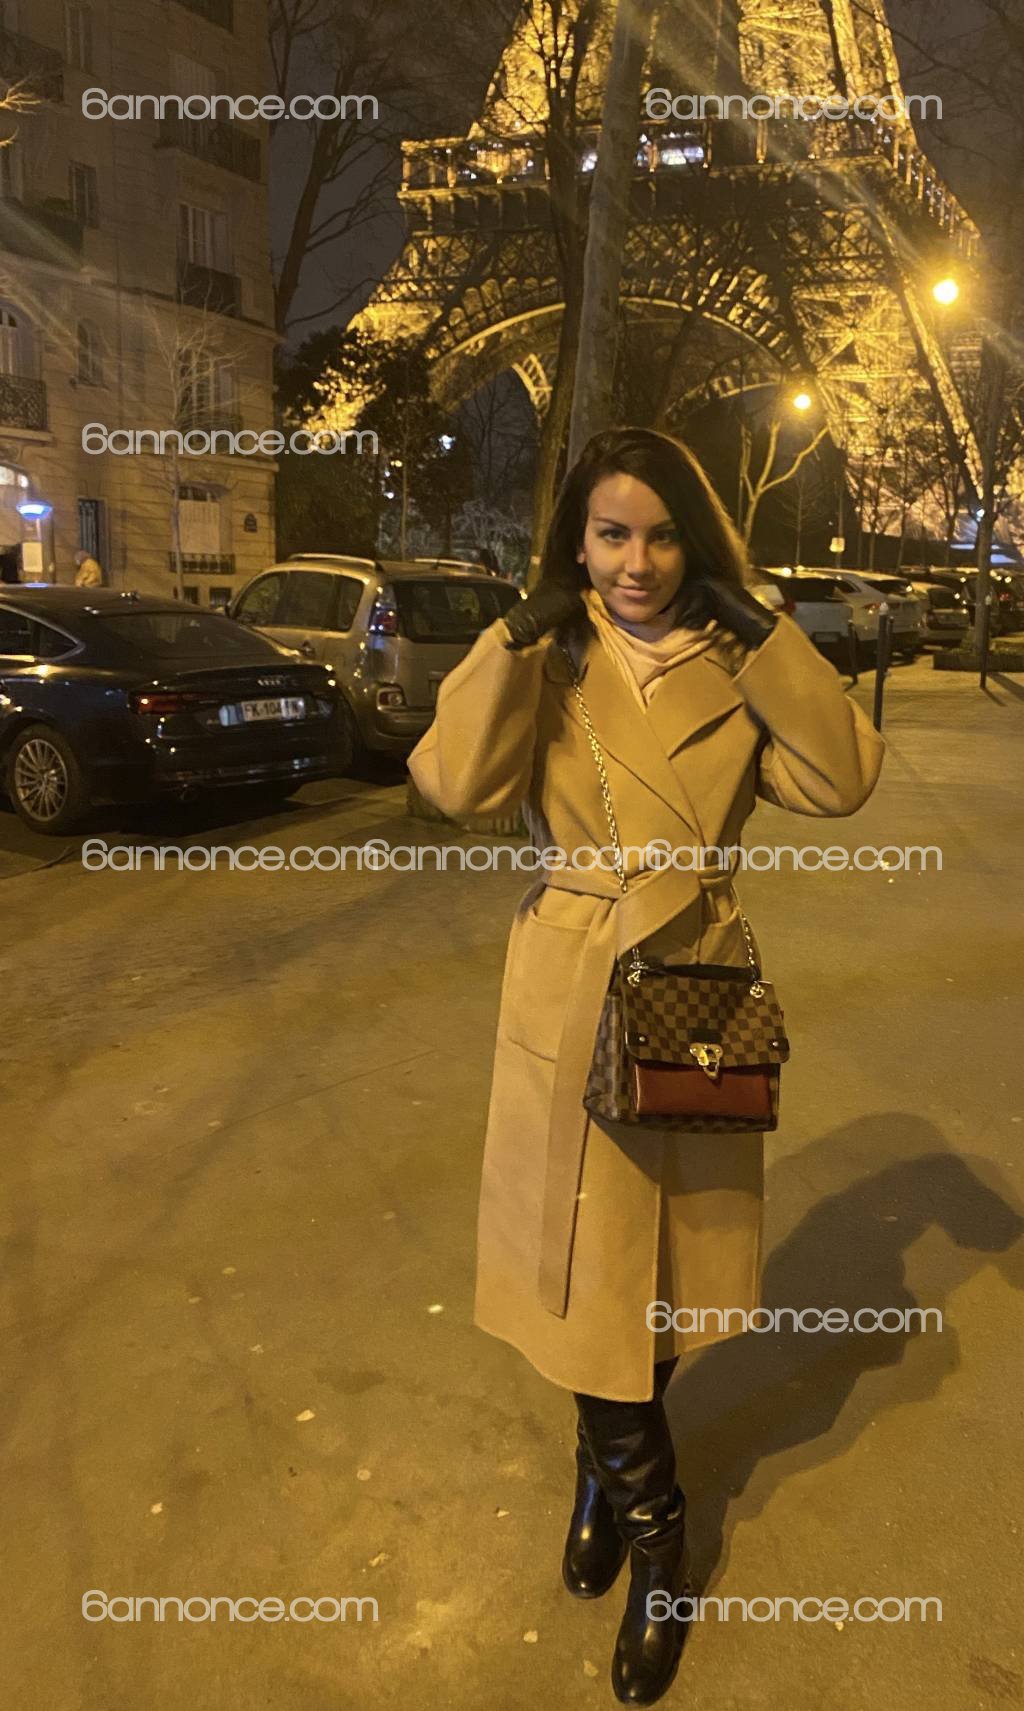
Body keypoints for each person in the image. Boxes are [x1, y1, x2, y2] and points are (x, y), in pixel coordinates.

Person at [407, 427, 884, 1706]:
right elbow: (456, 783)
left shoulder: (733, 662)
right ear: (576, 542)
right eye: (612, 534)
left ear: (696, 542)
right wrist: (513, 632)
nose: (638, 562)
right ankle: (657, 1533)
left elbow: (843, 777)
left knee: (657, 1275)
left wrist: (765, 629)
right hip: (572, 985)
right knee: (579, 1264)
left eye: (664, 534)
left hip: (693, 991)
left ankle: (600, 1473)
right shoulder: (550, 659)